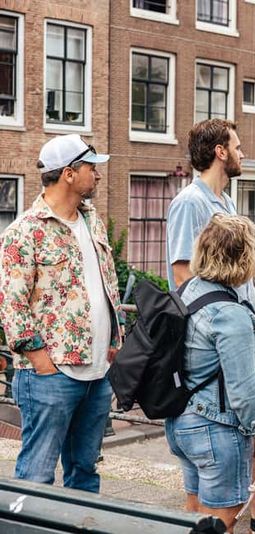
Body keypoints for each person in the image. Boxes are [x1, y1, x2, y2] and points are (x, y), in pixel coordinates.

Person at [166, 119, 255, 531]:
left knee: (202, 509)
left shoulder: (226, 203)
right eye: (238, 145)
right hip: (216, 358)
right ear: (219, 151)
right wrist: (222, 325)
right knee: (218, 517)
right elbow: (183, 276)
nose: (243, 152)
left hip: (231, 335)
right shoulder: (190, 203)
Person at [0, 134, 123, 492]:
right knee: (36, 476)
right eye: (91, 168)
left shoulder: (93, 222)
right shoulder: (24, 232)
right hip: (51, 377)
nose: (98, 176)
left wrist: (115, 340)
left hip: (98, 374)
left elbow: (108, 284)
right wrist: (41, 362)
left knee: (85, 472)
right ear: (69, 173)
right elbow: (11, 304)